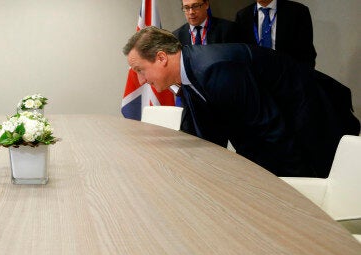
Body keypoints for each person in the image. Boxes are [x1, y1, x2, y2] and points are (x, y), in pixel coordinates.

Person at [122, 26, 359, 178]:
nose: (141, 80)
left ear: (162, 58)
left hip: (313, 115)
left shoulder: (214, 70)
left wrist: (290, 186)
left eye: (140, 70)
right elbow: (202, 135)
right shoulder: (188, 75)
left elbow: (269, 129)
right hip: (285, 122)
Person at [235, 0, 316, 68]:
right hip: (256, 79)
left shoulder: (298, 11)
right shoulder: (243, 16)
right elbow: (241, 54)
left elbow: (307, 54)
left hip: (289, 78)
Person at [173, 0, 238, 46]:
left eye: (195, 6)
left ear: (206, 4)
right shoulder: (176, 37)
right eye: (186, 8)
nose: (191, 12)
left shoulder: (227, 29)